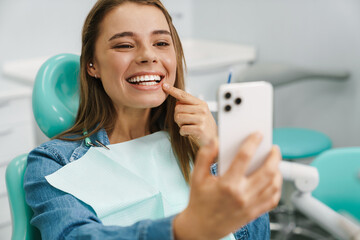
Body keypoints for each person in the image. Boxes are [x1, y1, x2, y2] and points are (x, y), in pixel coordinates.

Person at [24, 0, 282, 239]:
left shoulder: (196, 143)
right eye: (124, 45)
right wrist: (185, 229)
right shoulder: (51, 162)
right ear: (93, 64)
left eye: (161, 43)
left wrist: (219, 156)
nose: (148, 56)